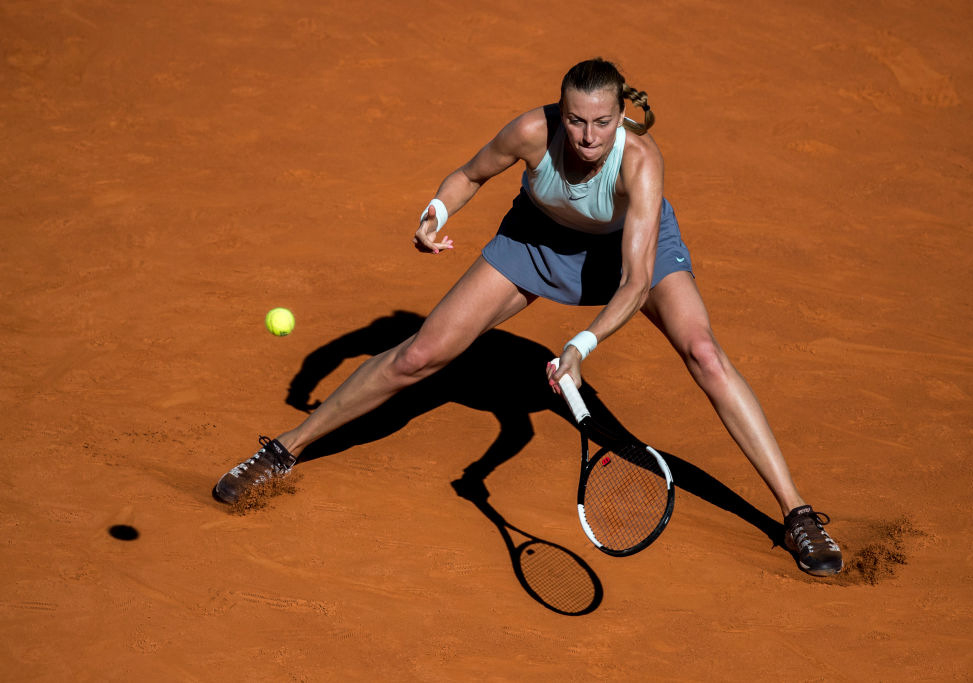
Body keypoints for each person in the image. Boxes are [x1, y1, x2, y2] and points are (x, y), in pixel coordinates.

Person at [214, 58, 843, 577]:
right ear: (559, 112)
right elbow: (468, 175)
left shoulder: (641, 162)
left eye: (602, 122)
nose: (588, 137)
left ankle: (797, 515)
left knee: (704, 353)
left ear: (620, 115)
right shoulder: (529, 133)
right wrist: (435, 213)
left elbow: (635, 281)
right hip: (537, 240)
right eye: (576, 120)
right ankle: (285, 449)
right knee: (419, 354)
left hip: (625, 253)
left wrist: (582, 344)